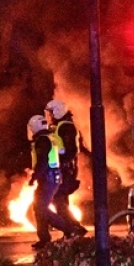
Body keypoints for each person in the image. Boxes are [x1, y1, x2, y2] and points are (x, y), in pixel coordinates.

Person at [28, 114, 72, 250]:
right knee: (38, 207)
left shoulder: (42, 141)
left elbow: (43, 161)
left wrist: (34, 177)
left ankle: (68, 229)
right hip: (52, 177)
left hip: (47, 178)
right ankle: (44, 239)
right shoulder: (50, 138)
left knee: (41, 208)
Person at [45, 99, 87, 237]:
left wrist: (62, 166)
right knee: (61, 200)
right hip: (65, 168)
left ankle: (74, 228)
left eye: (50, 113)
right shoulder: (62, 126)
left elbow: (69, 150)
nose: (48, 117)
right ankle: (71, 231)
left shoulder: (65, 127)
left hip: (65, 169)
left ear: (57, 112)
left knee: (58, 200)